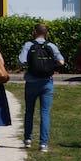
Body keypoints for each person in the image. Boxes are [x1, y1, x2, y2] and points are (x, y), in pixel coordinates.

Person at [18, 22, 64, 153]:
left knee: (29, 111)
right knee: (45, 113)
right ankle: (43, 144)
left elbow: (21, 61)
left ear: (35, 32)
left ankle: (28, 139)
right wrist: (50, 65)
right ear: (46, 33)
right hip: (47, 83)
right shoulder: (51, 46)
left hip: (31, 82)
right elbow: (61, 61)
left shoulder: (28, 45)